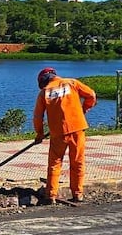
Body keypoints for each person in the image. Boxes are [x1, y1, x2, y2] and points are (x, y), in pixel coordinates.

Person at [33, 67, 97, 205]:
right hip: (77, 129)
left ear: (43, 81)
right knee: (77, 162)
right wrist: (84, 109)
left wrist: (39, 134)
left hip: (58, 133)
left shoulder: (44, 92)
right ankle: (78, 194)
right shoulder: (72, 83)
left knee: (55, 164)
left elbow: (38, 116)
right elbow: (91, 95)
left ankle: (51, 195)